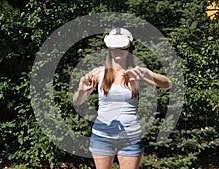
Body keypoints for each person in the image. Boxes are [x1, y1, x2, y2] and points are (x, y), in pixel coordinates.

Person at [73, 28, 172, 169]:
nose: (117, 51)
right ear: (109, 49)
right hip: (102, 136)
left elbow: (168, 84)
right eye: (114, 48)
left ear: (129, 48)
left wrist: (146, 75)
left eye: (122, 47)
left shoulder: (137, 72)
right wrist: (81, 91)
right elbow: (77, 101)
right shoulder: (98, 73)